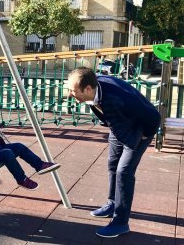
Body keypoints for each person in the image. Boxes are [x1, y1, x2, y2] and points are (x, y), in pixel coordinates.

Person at [67, 67, 160, 238]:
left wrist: (145, 135)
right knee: (112, 165)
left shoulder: (117, 98)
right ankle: (112, 203)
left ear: (87, 89)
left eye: (73, 91)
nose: (70, 94)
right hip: (118, 126)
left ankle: (121, 222)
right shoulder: (94, 86)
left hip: (138, 130)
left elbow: (154, 117)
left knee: (124, 172)